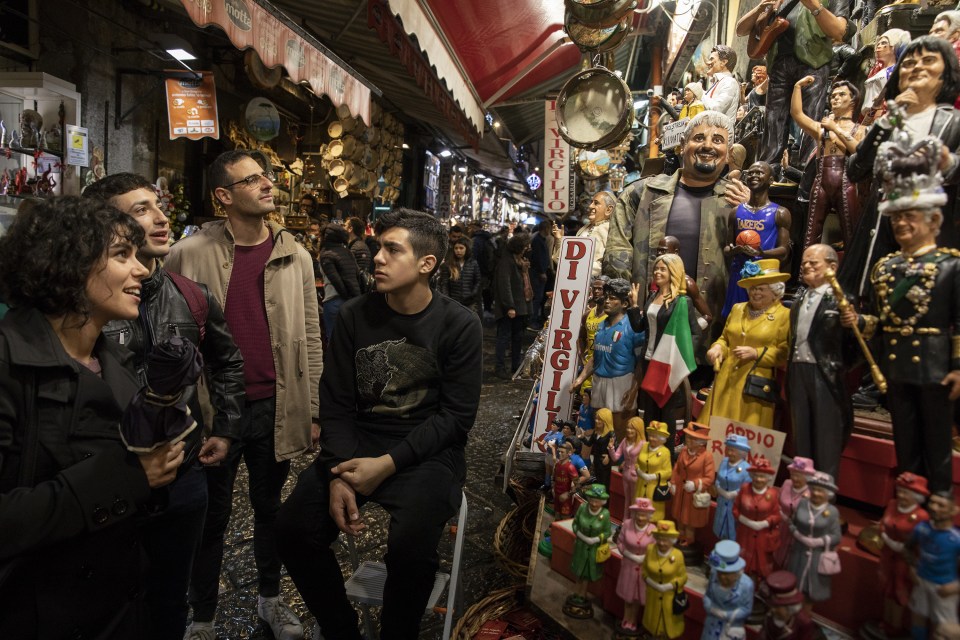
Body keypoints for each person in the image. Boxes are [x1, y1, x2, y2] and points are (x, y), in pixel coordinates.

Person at [275, 209, 481, 639]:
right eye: (377, 248)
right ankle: (341, 629)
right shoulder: (354, 315)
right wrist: (339, 472)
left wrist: (388, 463)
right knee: (293, 529)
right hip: (357, 442)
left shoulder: (459, 324)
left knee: (410, 552)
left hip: (426, 451)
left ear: (427, 264)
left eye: (392, 249)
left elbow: (456, 418)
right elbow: (335, 400)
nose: (377, 259)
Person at [0, 197, 183, 637]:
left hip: (117, 606)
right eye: (123, 255)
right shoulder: (9, 363)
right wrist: (130, 476)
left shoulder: (116, 360)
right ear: (69, 260)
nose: (141, 270)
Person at [166, 150, 323, 640]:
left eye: (267, 176)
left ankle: (270, 600)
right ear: (223, 196)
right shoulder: (188, 253)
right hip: (215, 410)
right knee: (209, 517)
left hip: (276, 406)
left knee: (270, 509)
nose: (267, 185)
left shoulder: (295, 253)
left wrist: (313, 408)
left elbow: (313, 334)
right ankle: (204, 617)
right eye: (251, 179)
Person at [83, 173, 245, 640]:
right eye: (139, 210)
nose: (158, 218)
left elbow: (227, 360)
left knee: (170, 597)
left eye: (158, 205)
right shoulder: (86, 302)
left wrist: (225, 427)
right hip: (109, 476)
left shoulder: (191, 296)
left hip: (183, 473)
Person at [841, 136, 960, 494]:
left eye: (910, 216)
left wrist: (957, 367)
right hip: (896, 368)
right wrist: (858, 322)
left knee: (936, 442)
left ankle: (937, 506)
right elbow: (881, 322)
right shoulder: (885, 268)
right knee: (905, 439)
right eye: (897, 218)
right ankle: (907, 505)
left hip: (936, 369)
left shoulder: (950, 267)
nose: (902, 225)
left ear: (934, 219)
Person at [605, 111, 747, 337]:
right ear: (683, 145)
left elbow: (757, 261)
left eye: (717, 140)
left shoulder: (738, 202)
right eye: (699, 138)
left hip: (713, 334)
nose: (707, 146)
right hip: (646, 327)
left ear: (729, 153)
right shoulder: (642, 193)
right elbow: (617, 253)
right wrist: (625, 312)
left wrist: (751, 213)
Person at [841, 36, 960, 302]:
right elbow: (855, 170)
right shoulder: (889, 123)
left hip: (930, 235)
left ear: (946, 74)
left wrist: (948, 163)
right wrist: (883, 126)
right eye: (908, 63)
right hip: (877, 231)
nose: (917, 67)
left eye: (929, 61)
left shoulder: (954, 121)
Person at [735, 0, 855, 169]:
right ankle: (768, 169)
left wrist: (814, 5)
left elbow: (840, 31)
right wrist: (760, 8)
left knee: (810, 119)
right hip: (778, 62)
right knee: (773, 119)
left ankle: (807, 169)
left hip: (814, 61)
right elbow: (741, 30)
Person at [787, 245, 857, 480]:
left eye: (813, 263)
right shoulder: (798, 301)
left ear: (832, 267)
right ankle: (800, 488)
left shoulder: (842, 300)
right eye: (804, 263)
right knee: (802, 431)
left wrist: (837, 365)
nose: (806, 266)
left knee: (827, 433)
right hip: (797, 370)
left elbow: (854, 344)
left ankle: (824, 492)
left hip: (825, 372)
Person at [701, 259, 790, 429]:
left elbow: (785, 353)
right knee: (717, 430)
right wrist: (718, 348)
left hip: (754, 384)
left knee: (746, 433)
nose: (755, 292)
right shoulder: (737, 309)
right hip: (726, 380)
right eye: (753, 288)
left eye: (762, 289)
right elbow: (725, 338)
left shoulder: (784, 316)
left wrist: (756, 353)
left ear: (775, 292)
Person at [791, 78, 865, 249]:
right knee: (810, 235)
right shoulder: (821, 129)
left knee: (850, 233)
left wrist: (834, 128)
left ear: (853, 100)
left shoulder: (859, 130)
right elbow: (797, 114)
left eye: (841, 94)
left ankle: (849, 275)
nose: (835, 98)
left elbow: (858, 152)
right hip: (821, 183)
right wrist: (797, 87)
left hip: (846, 183)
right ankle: (805, 274)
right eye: (833, 95)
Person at [570, 278, 645, 439]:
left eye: (612, 298)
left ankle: (620, 462)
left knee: (620, 430)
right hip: (599, 381)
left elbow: (641, 362)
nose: (607, 301)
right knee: (600, 428)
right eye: (607, 297)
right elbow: (596, 356)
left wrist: (633, 392)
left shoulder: (633, 327)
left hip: (621, 382)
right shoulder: (602, 325)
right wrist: (581, 378)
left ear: (624, 304)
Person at [638, 254, 702, 437]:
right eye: (656, 268)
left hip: (668, 365)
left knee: (666, 414)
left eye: (662, 269)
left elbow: (695, 333)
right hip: (648, 361)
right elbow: (641, 327)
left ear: (673, 271)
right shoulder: (652, 296)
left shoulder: (682, 301)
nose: (657, 272)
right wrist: (634, 306)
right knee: (648, 412)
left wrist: (683, 359)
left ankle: (665, 458)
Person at [720, 161, 793, 318]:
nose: (754, 175)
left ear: (771, 180)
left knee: (762, 320)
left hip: (765, 276)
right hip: (739, 274)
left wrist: (761, 252)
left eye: (759, 173)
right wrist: (735, 249)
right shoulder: (735, 212)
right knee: (734, 317)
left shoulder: (780, 213)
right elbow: (727, 248)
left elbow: (784, 251)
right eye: (750, 173)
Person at [875, 472, 930, 638]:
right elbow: (883, 523)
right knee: (886, 588)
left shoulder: (921, 516)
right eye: (900, 490)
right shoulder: (892, 504)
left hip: (904, 560)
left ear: (917, 497)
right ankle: (886, 621)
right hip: (887, 554)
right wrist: (884, 535)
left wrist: (900, 546)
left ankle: (895, 626)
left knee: (899, 590)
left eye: (907, 492)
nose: (902, 495)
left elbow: (920, 542)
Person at [905, 491, 960, 638]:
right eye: (932, 503)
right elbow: (908, 547)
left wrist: (956, 587)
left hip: (943, 587)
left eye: (941, 505)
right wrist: (912, 567)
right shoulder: (922, 528)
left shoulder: (956, 539)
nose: (934, 508)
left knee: (942, 627)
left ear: (954, 510)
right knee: (918, 619)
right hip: (922, 581)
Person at [786, 471, 842, 604]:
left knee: (809, 591)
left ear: (828, 493)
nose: (816, 493)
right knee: (793, 585)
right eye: (815, 489)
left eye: (821, 490)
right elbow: (791, 523)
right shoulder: (803, 504)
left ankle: (805, 616)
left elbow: (837, 536)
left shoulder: (832, 512)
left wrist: (819, 541)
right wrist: (798, 535)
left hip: (817, 557)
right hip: (798, 552)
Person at [564, 484, 613, 618]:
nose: (594, 503)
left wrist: (597, 539)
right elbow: (575, 524)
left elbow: (608, 532)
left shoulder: (605, 514)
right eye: (591, 499)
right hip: (580, 545)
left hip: (593, 549)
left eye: (597, 500)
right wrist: (580, 534)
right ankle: (576, 592)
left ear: (602, 502)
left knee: (586, 573)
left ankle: (582, 594)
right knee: (579, 570)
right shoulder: (582, 508)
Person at [734, 455, 781, 582]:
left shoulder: (772, 494)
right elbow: (735, 509)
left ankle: (757, 588)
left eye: (763, 476)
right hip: (745, 534)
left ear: (768, 478)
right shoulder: (744, 489)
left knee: (760, 563)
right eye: (756, 475)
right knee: (742, 560)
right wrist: (744, 519)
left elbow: (777, 515)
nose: (759, 479)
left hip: (762, 536)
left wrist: (765, 523)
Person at [493, 233, 532, 379]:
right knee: (504, 337)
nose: (528, 248)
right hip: (510, 308)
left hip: (520, 307)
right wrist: (509, 306)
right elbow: (505, 285)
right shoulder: (506, 262)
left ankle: (516, 366)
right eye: (526, 245)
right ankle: (500, 368)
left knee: (517, 338)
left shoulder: (520, 261)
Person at [670, 422, 715, 549]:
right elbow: (677, 468)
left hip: (693, 495)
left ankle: (689, 539)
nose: (688, 440)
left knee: (690, 519)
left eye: (692, 438)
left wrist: (696, 484)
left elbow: (709, 478)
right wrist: (673, 482)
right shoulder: (684, 451)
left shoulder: (707, 457)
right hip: (681, 492)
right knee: (679, 516)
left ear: (701, 442)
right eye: (688, 437)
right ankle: (679, 535)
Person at [616, 497, 658, 633]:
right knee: (628, 595)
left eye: (644, 514)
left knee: (637, 598)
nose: (641, 517)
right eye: (639, 514)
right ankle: (625, 619)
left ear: (649, 515)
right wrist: (628, 554)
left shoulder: (653, 529)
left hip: (643, 570)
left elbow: (656, 549)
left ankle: (633, 620)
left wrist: (645, 558)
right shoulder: (627, 524)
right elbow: (620, 542)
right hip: (628, 566)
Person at [642, 520, 688, 640]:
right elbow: (644, 571)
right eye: (659, 539)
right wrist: (652, 582)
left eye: (666, 539)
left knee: (667, 629)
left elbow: (683, 577)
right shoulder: (650, 550)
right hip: (653, 597)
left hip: (670, 599)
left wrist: (669, 586)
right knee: (654, 628)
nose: (662, 543)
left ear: (672, 540)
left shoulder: (677, 555)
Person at [702, 540, 755, 640]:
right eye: (720, 572)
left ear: (736, 571)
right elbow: (707, 596)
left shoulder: (746, 585)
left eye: (727, 574)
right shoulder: (714, 575)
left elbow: (746, 609)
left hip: (730, 630)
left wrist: (727, 615)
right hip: (711, 628)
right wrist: (711, 609)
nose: (722, 577)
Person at [655, 236, 713, 328]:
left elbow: (707, 316)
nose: (659, 254)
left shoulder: (687, 284)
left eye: (663, 251)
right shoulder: (655, 281)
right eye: (658, 251)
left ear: (676, 252)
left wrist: (689, 333)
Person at [319, 224, 364, 338]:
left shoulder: (326, 254)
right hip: (352, 300)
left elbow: (336, 281)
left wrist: (345, 295)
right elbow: (357, 275)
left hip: (334, 301)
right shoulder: (347, 252)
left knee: (333, 339)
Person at [553, 191, 613, 277]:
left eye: (596, 203)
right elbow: (566, 260)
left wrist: (574, 267)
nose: (590, 206)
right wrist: (559, 240)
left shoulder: (610, 231)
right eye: (591, 202)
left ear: (608, 209)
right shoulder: (584, 228)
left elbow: (604, 266)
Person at [861, 30, 912, 125]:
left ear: (894, 46)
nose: (878, 46)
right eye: (878, 43)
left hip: (884, 114)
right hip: (870, 116)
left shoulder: (895, 71)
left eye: (884, 43)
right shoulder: (876, 71)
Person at [774, 457, 816, 569]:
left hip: (797, 531)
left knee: (791, 558)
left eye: (799, 475)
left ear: (807, 477)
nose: (795, 478)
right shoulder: (787, 483)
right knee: (776, 552)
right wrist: (780, 514)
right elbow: (776, 501)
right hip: (780, 526)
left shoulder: (811, 492)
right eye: (793, 474)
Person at [762, 570, 825, 640]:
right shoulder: (769, 617)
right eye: (772, 605)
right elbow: (764, 634)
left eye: (777, 606)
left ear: (789, 607)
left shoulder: (803, 623)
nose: (772, 609)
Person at [713, 434, 753, 542]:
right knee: (719, 529)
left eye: (733, 450)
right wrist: (719, 488)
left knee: (732, 532)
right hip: (721, 503)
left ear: (742, 452)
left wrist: (734, 493)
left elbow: (748, 488)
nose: (729, 453)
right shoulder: (724, 461)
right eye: (728, 449)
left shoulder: (747, 468)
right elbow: (718, 479)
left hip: (735, 506)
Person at [577, 275, 609, 393]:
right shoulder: (587, 314)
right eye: (594, 288)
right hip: (588, 366)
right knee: (585, 401)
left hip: (603, 367)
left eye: (600, 289)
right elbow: (581, 337)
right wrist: (581, 356)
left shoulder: (611, 316)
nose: (596, 291)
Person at [610, 415, 645, 521]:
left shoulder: (643, 444)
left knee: (635, 501)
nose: (629, 430)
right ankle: (625, 520)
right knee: (627, 500)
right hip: (625, 474)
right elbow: (615, 457)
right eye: (628, 428)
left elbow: (644, 461)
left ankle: (633, 522)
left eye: (632, 428)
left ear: (638, 430)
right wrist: (611, 448)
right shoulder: (625, 441)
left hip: (637, 476)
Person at [638, 421, 673, 522]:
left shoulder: (665, 452)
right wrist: (639, 471)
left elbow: (668, 472)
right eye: (651, 435)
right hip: (641, 485)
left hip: (654, 488)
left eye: (655, 436)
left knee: (652, 517)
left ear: (662, 439)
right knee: (639, 513)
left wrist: (654, 476)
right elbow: (637, 462)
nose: (652, 438)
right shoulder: (644, 446)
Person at [437, 237, 481, 312]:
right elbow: (444, 284)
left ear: (466, 249)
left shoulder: (473, 263)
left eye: (461, 248)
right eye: (456, 248)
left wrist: (473, 294)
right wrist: (447, 299)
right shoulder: (449, 264)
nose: (458, 251)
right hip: (453, 301)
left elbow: (478, 281)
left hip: (469, 302)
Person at [703, 45, 741, 122]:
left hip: (719, 133)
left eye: (712, 59)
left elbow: (717, 109)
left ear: (723, 62)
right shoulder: (718, 82)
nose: (708, 63)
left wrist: (701, 94)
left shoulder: (729, 82)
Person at [529, 221, 553, 329]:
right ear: (546, 228)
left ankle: (532, 319)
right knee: (536, 297)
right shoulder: (538, 241)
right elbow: (538, 258)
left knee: (538, 297)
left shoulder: (540, 240)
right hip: (537, 274)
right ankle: (531, 321)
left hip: (538, 272)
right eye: (549, 228)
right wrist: (542, 272)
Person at [586, 407, 614, 489]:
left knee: (603, 484)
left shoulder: (611, 434)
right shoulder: (596, 432)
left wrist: (609, 457)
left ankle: (604, 501)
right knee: (597, 482)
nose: (596, 421)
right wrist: (582, 437)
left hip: (605, 463)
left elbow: (616, 451)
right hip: (596, 461)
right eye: (596, 419)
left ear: (606, 420)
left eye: (599, 419)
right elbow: (589, 443)